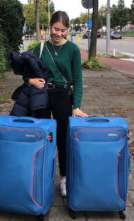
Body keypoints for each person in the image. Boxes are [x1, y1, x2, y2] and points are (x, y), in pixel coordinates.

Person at [25, 11, 88, 197]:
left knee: (62, 138)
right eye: (55, 29)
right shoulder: (41, 48)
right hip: (42, 94)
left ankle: (64, 179)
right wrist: (31, 81)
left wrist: (76, 105)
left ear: (67, 30)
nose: (58, 33)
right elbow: (25, 70)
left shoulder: (73, 50)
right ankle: (42, 176)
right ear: (49, 25)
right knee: (44, 135)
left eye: (62, 30)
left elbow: (77, 79)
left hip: (62, 96)